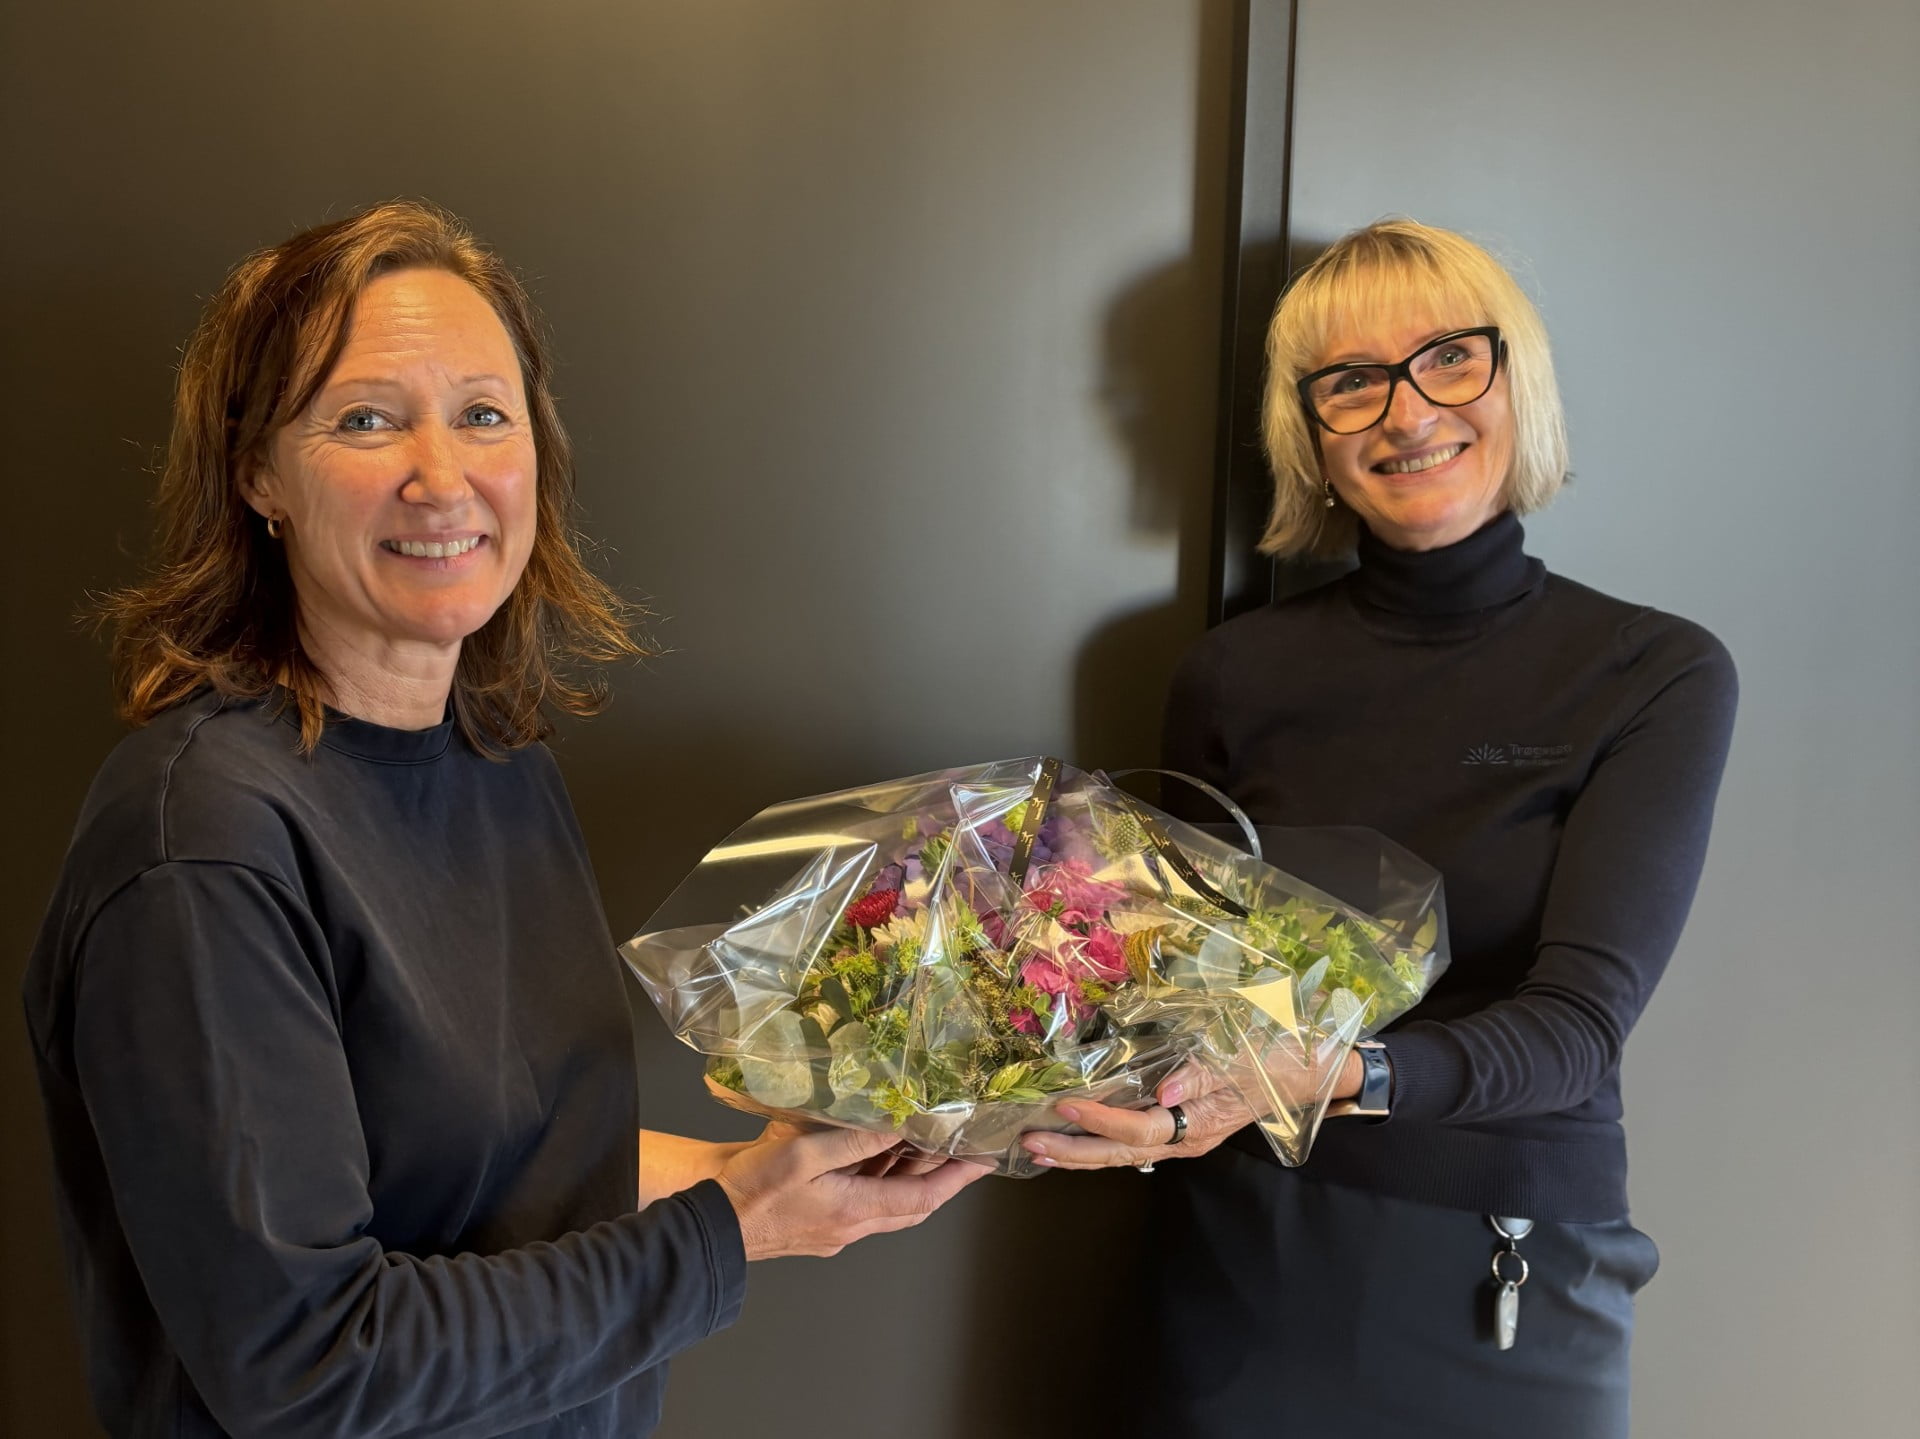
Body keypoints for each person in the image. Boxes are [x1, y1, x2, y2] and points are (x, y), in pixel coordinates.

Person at [21, 200, 985, 1439]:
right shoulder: (200, 841)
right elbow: (311, 1363)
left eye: (483, 412)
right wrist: (733, 1233)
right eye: (365, 418)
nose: (444, 473)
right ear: (258, 471)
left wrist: (792, 1168)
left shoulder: (494, 757)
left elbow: (500, 1167)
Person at [1018, 219, 1737, 1437]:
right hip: (1245, 1252)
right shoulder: (1233, 675)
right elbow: (1174, 979)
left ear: (1517, 380)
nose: (1408, 413)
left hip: (1501, 1265)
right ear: (1310, 432)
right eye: (1351, 383)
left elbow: (1576, 1030)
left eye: (1450, 359)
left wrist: (1340, 1072)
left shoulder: (1650, 671)